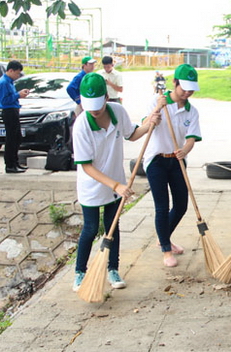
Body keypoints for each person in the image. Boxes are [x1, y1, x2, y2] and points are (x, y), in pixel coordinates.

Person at [71, 73, 160, 292]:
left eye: (98, 104)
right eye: (89, 105)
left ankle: (112, 269)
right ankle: (80, 273)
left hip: (116, 182)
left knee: (113, 227)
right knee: (91, 229)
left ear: (106, 97)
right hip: (92, 185)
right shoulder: (81, 126)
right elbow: (87, 166)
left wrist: (150, 123)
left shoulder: (118, 112)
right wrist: (115, 185)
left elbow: (133, 134)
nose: (94, 110)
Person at [143, 64, 202, 267]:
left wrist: (185, 150)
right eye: (184, 87)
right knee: (162, 206)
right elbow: (144, 125)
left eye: (191, 89)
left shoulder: (191, 111)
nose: (187, 92)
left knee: (181, 205)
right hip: (156, 160)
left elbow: (191, 138)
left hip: (177, 161)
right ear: (175, 83)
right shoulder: (158, 101)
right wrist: (156, 112)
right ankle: (166, 251)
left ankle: (163, 237)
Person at [0, 60, 30, 173]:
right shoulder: (4, 82)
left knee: (17, 138)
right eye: (17, 73)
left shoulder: (10, 82)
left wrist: (19, 94)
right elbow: (4, 100)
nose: (18, 76)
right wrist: (18, 95)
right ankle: (10, 165)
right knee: (11, 139)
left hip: (14, 110)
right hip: (8, 111)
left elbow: (11, 96)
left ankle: (15, 162)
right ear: (10, 70)